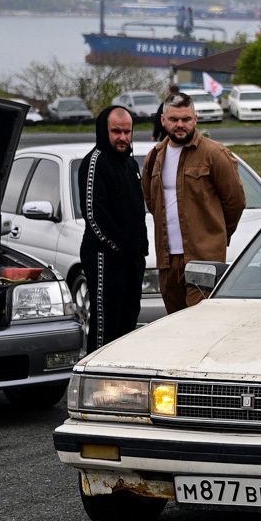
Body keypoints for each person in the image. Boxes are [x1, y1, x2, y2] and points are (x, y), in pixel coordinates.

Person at [142, 91, 245, 313]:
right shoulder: (154, 157)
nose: (180, 125)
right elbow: (152, 201)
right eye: (174, 119)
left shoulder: (215, 154)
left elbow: (235, 202)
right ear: (163, 120)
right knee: (175, 326)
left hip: (204, 259)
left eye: (186, 119)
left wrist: (215, 237)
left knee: (202, 325)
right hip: (167, 261)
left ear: (195, 119)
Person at [78, 105, 148, 352]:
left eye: (127, 132)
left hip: (131, 259)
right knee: (106, 322)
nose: (122, 138)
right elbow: (94, 216)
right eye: (116, 131)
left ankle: (124, 377)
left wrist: (140, 249)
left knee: (129, 321)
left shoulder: (131, 165)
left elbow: (137, 211)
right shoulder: (94, 163)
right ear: (104, 131)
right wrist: (121, 247)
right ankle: (97, 377)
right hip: (105, 258)